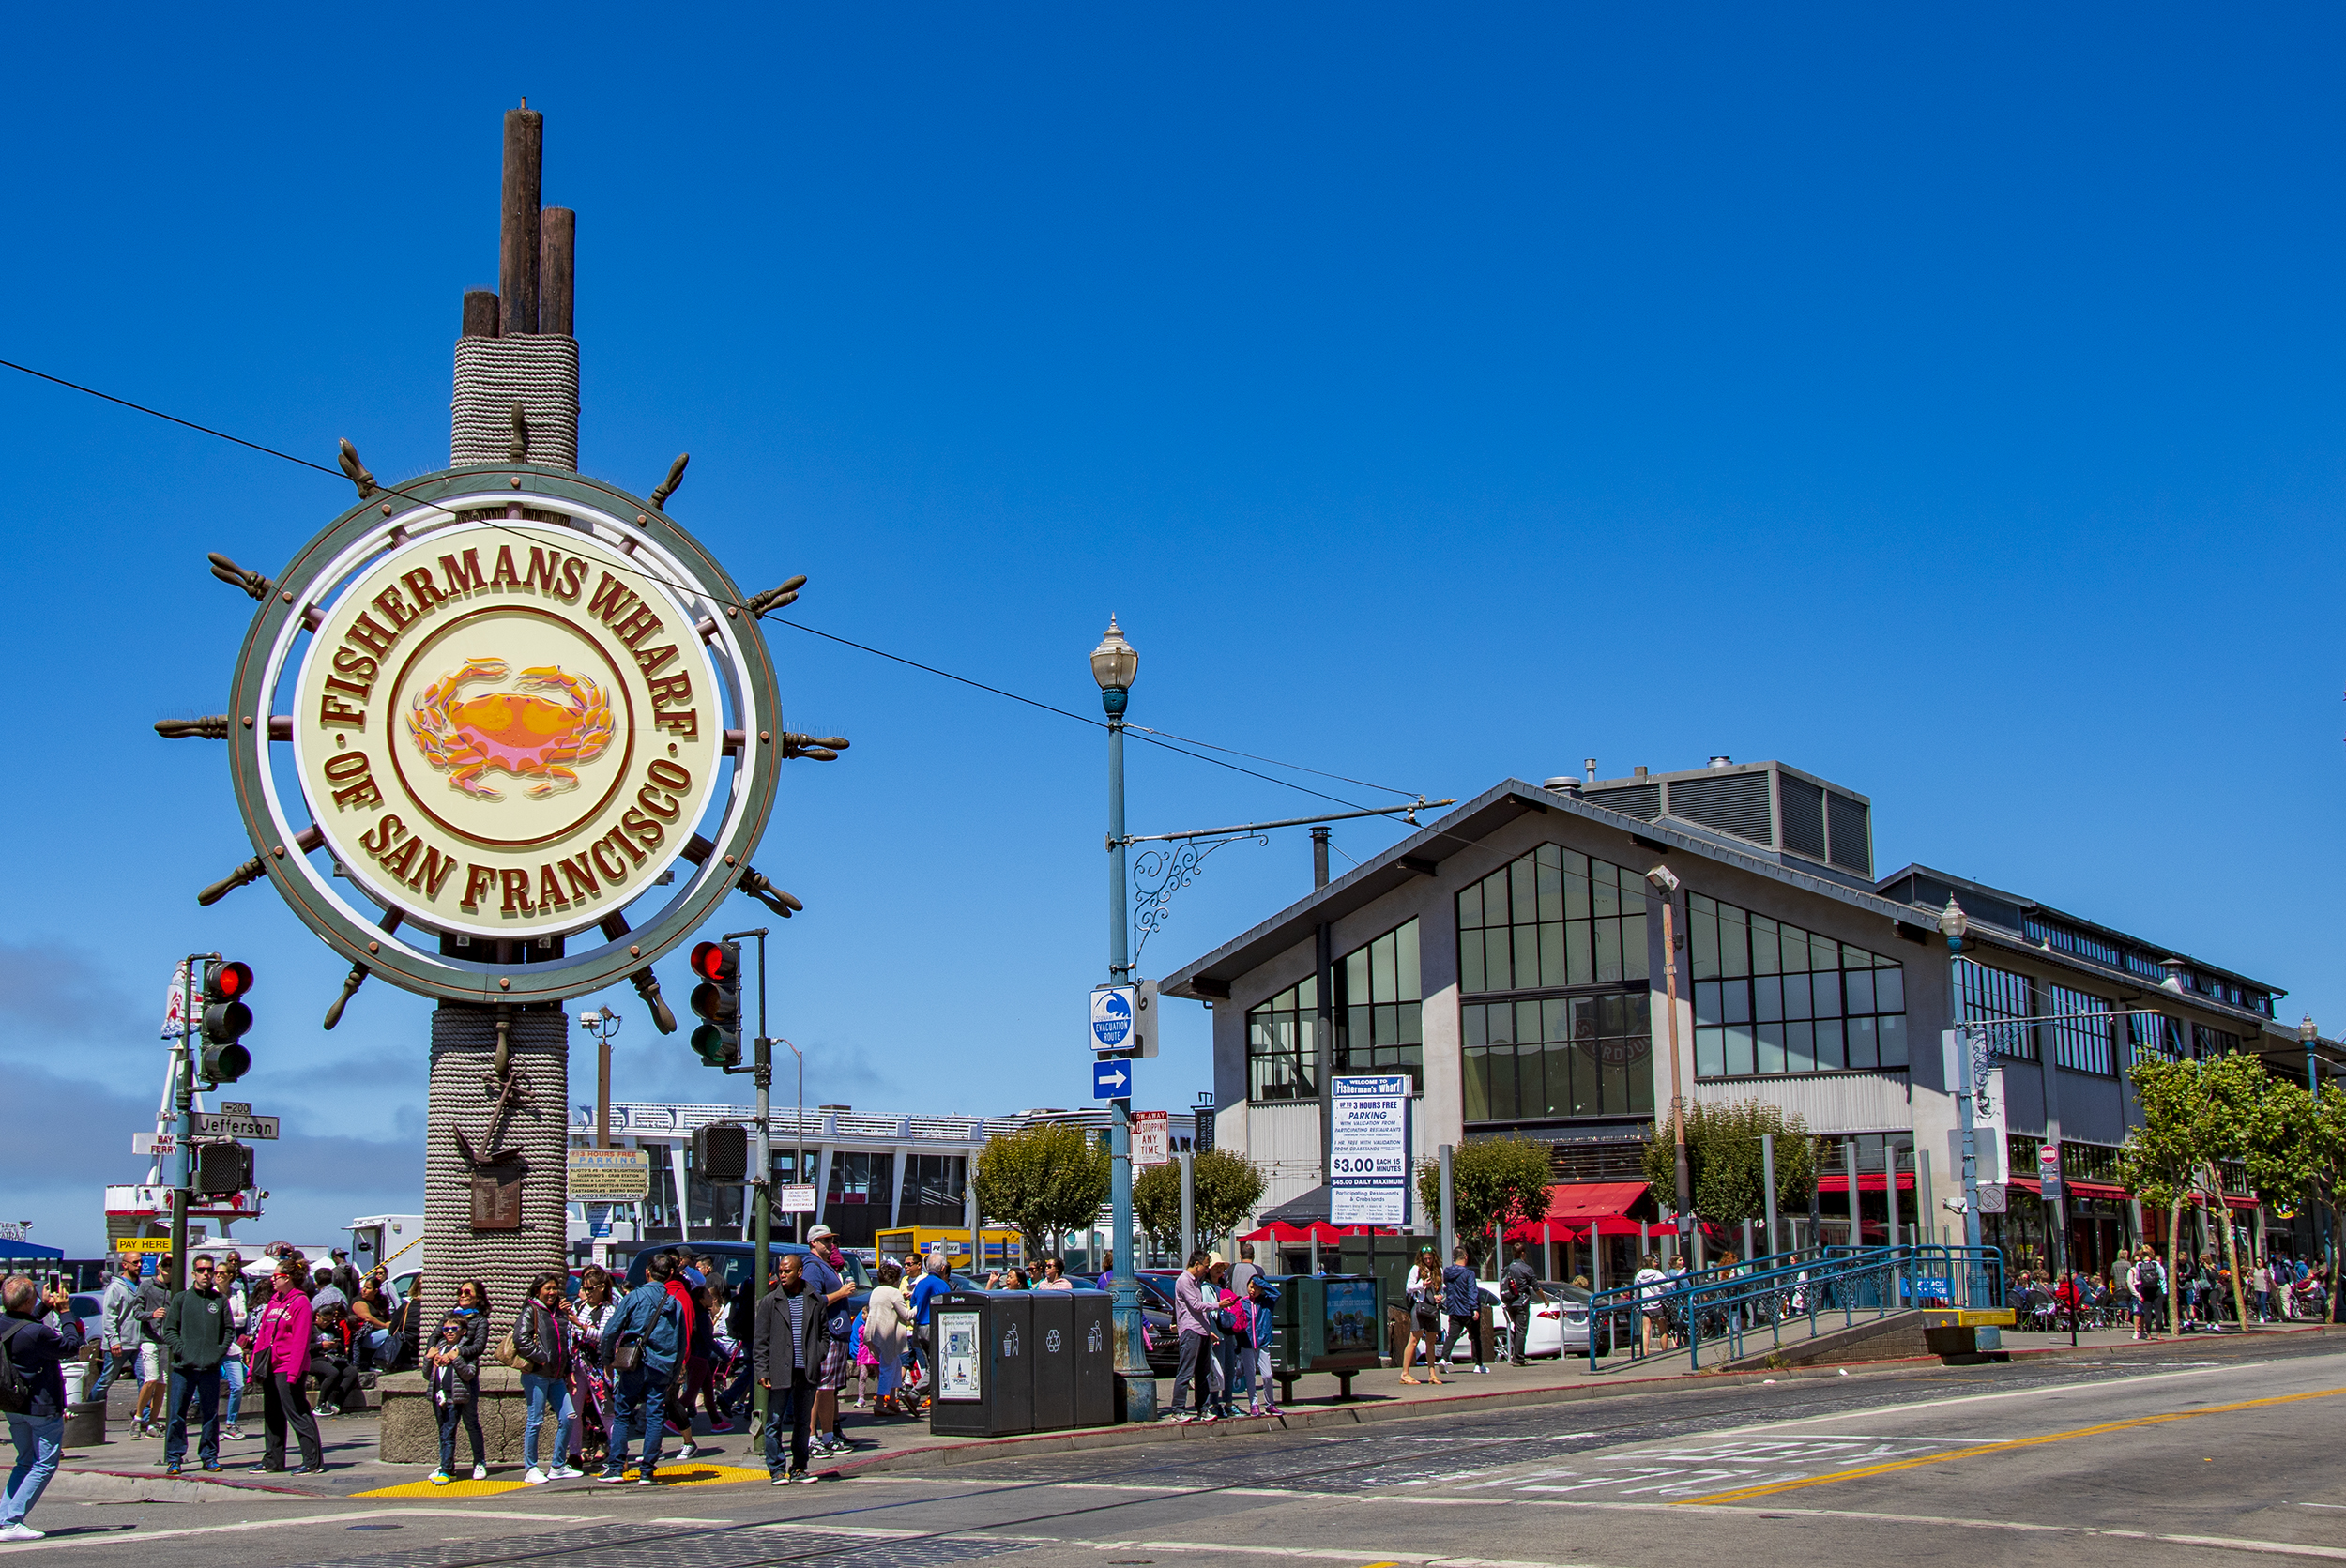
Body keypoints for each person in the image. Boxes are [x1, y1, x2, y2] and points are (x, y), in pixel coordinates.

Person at [1, 1275, 85, 1542]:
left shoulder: (6, 1323)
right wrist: (65, 1311)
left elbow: (22, 1327)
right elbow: (71, 1346)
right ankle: (12, 1520)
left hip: (13, 1404)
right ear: (28, 1301)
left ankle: (5, 1518)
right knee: (44, 1464)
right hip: (41, 1406)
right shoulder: (38, 1332)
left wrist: (44, 1307)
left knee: (24, 1461)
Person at [601, 1253, 685, 1484]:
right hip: (662, 1366)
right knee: (655, 1415)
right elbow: (681, 1342)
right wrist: (674, 1373)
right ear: (670, 1274)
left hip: (633, 1362)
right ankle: (647, 1470)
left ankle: (617, 1467)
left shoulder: (635, 1297)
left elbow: (611, 1331)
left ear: (647, 1272)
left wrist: (607, 1358)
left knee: (623, 1411)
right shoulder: (674, 1304)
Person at [246, 1257, 325, 1474]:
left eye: (277, 1276)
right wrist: (254, 1367)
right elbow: (263, 1336)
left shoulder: (301, 1303)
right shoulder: (274, 1302)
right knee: (272, 1414)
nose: (273, 1280)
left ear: (288, 1278)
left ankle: (312, 1461)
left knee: (297, 1412)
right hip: (270, 1365)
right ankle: (273, 1459)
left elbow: (300, 1341)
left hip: (289, 1366)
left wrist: (293, 1373)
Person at [157, 1256, 233, 1476]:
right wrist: (182, 1350)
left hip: (209, 1368)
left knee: (210, 1414)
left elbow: (228, 1330)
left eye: (210, 1270)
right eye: (201, 1270)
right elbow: (169, 1330)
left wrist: (219, 1351)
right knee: (177, 1414)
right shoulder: (181, 1299)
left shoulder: (219, 1301)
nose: (206, 1274)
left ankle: (209, 1456)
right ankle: (174, 1457)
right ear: (194, 1273)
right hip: (183, 1368)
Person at [755, 1253, 827, 1484]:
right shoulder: (770, 1301)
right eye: (780, 1271)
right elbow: (761, 1340)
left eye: (787, 1271)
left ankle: (799, 1468)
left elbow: (825, 1334)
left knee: (803, 1421)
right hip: (779, 1370)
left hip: (806, 1369)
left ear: (799, 1272)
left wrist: (817, 1354)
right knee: (774, 1420)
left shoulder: (814, 1299)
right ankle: (776, 1469)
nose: (782, 1275)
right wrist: (762, 1371)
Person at [509, 1271, 580, 1484]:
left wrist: (567, 1370)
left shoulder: (558, 1312)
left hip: (556, 1376)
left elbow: (565, 1339)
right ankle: (531, 1467)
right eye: (547, 1289)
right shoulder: (531, 1311)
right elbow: (520, 1339)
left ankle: (557, 1465)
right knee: (535, 1420)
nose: (551, 1293)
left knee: (568, 1417)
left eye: (554, 1289)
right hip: (537, 1376)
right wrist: (542, 1358)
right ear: (537, 1290)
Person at [801, 1225, 861, 1455]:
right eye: (824, 1240)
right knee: (820, 1388)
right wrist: (841, 1293)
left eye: (831, 1239)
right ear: (813, 1243)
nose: (829, 1244)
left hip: (837, 1334)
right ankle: (811, 1437)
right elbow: (813, 1301)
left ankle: (828, 1435)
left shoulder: (828, 1265)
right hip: (826, 1334)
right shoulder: (812, 1266)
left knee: (829, 1389)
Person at [425, 1302, 484, 1484]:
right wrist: (429, 1359)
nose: (449, 1332)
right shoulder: (440, 1347)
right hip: (439, 1395)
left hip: (456, 1396)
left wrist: (455, 1358)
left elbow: (468, 1373)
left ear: (463, 1331)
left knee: (452, 1430)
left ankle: (448, 1469)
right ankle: (446, 1464)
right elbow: (427, 1374)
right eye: (446, 1329)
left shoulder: (465, 1349)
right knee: (443, 1432)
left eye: (454, 1329)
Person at [569, 1266, 619, 1473]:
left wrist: (582, 1327)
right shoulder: (579, 1306)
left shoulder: (608, 1310)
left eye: (591, 1289)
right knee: (574, 1411)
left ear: (602, 1288)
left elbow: (606, 1336)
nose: (587, 1292)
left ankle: (617, 1452)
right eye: (585, 1288)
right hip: (578, 1364)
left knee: (606, 1411)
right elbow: (570, 1332)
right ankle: (574, 1454)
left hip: (598, 1367)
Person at [1169, 1250, 1216, 1423]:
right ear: (1196, 1264)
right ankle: (1178, 1409)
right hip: (1190, 1331)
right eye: (1205, 1266)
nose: (1207, 1269)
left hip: (1202, 1330)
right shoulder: (1184, 1281)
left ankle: (1203, 1408)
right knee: (1186, 1370)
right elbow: (1196, 1305)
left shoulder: (1197, 1282)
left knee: (1203, 1373)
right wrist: (1218, 1305)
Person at [863, 1262, 914, 1417]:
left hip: (874, 1334)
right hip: (888, 1336)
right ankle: (880, 1403)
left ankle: (892, 1400)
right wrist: (919, 1306)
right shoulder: (894, 1293)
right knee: (888, 1368)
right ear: (895, 1279)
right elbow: (906, 1315)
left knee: (895, 1365)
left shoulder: (876, 1291)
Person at [94, 1255, 142, 1408]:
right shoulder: (115, 1287)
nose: (139, 1265)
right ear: (125, 1265)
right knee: (106, 1380)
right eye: (135, 1262)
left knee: (146, 1379)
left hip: (138, 1342)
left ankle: (144, 1417)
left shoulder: (141, 1286)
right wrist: (114, 1340)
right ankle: (90, 1409)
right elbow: (109, 1317)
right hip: (119, 1344)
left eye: (141, 1262)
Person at [132, 1261, 171, 1439]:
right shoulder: (147, 1286)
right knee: (151, 1379)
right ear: (158, 1267)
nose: (168, 1268)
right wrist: (152, 1314)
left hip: (167, 1341)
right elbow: (137, 1312)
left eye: (171, 1264)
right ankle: (138, 1417)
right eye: (165, 1264)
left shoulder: (175, 1287)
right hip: (149, 1339)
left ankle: (153, 1422)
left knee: (163, 1383)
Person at [1439, 1246, 1487, 1375]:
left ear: (1454, 1257)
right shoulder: (1469, 1273)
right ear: (1465, 1257)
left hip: (1454, 1309)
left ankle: (1444, 1359)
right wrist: (1475, 1309)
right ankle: (1478, 1364)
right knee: (1475, 1337)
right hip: (1467, 1310)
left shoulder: (1447, 1272)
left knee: (1452, 1336)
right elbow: (1472, 1292)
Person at [1400, 1246, 1442, 1384]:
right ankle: (1405, 1373)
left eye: (1430, 1258)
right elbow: (1408, 1287)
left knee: (1431, 1340)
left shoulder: (1438, 1271)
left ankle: (1432, 1374)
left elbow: (1442, 1289)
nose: (1428, 1261)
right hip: (1419, 1307)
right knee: (1414, 1339)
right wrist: (1422, 1284)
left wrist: (1440, 1295)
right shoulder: (1416, 1269)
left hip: (1432, 1308)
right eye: (1426, 1259)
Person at [1243, 1275, 1279, 1416]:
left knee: (1268, 1375)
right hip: (1247, 1344)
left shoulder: (1266, 1302)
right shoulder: (1243, 1303)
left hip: (1263, 1343)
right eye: (1251, 1287)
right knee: (1250, 1375)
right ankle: (1254, 1404)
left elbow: (1277, 1293)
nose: (1253, 1290)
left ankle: (1270, 1403)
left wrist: (1260, 1282)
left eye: (1257, 1288)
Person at [1500, 1243, 1538, 1367]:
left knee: (1517, 1329)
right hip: (1522, 1302)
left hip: (1510, 1303)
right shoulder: (1526, 1269)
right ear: (1523, 1253)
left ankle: (1516, 1355)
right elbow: (1536, 1288)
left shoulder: (1507, 1268)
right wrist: (1545, 1300)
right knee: (1521, 1330)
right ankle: (1519, 1358)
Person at [1634, 1253, 1668, 1356]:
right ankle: (1664, 1352)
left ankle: (1645, 1354)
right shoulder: (1656, 1273)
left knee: (1645, 1331)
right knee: (1662, 1329)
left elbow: (1636, 1290)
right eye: (1654, 1261)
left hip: (1644, 1304)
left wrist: (1637, 1302)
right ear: (1650, 1262)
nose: (1656, 1263)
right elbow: (1667, 1284)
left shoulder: (1639, 1275)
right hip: (1656, 1303)